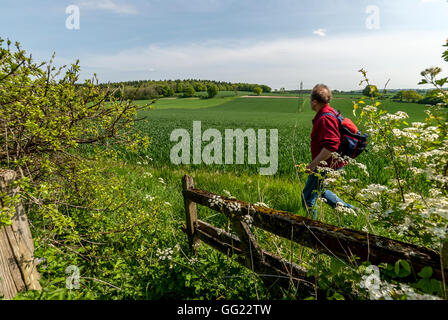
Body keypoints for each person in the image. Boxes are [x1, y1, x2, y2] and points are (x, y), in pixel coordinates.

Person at [299, 84, 354, 220]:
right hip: (332, 164)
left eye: (311, 99)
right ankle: (351, 211)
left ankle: (314, 231)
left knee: (307, 198)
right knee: (321, 191)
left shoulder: (325, 118)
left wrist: (313, 165)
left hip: (325, 166)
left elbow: (331, 145)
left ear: (315, 101)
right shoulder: (329, 113)